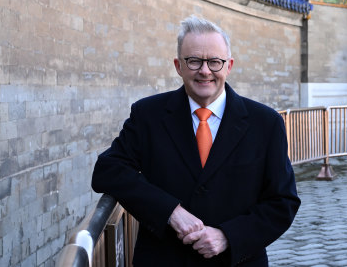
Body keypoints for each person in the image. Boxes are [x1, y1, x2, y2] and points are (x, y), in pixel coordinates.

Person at [91, 16, 300, 266]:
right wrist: (170, 212)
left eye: (214, 62)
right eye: (194, 61)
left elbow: (282, 202)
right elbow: (108, 170)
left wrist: (228, 237)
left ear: (229, 66)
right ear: (178, 66)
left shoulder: (265, 123)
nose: (204, 71)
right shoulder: (148, 115)